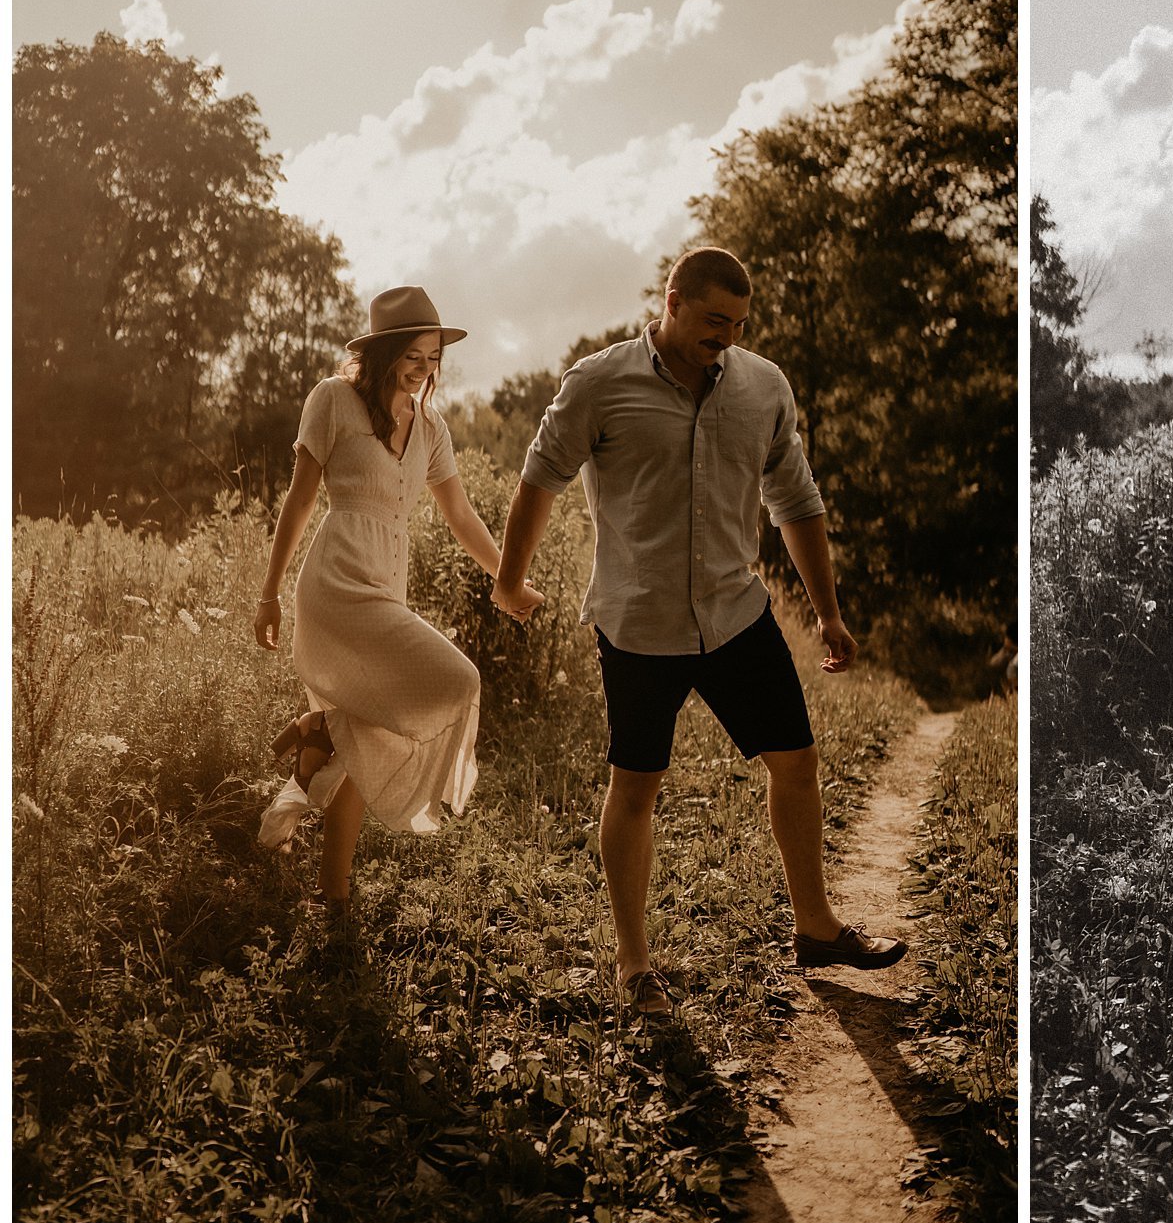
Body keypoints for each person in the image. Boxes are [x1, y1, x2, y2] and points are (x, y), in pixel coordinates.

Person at [491, 246, 905, 1019]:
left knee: (797, 761)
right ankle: (635, 964)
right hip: (638, 620)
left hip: (735, 613)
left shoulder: (762, 386)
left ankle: (815, 926)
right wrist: (509, 580)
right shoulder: (599, 381)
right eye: (715, 321)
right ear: (673, 301)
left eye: (740, 324)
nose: (728, 336)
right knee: (637, 786)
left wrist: (829, 611)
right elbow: (538, 479)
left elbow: (797, 502)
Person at [253, 288, 534, 913]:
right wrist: (268, 593)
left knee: (369, 735)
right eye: (412, 354)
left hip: (388, 585)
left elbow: (460, 515)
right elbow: (300, 501)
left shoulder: (431, 429)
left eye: (432, 357)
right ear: (381, 351)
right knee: (459, 678)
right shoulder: (333, 399)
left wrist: (506, 579)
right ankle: (319, 732)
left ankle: (334, 894)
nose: (424, 369)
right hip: (336, 584)